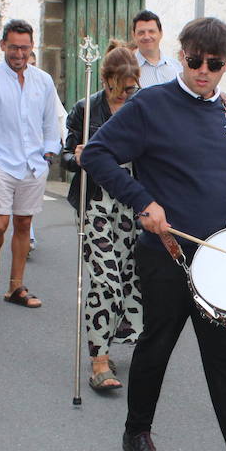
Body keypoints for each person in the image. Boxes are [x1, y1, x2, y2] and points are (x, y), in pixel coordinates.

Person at [81, 17, 226, 451]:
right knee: (158, 346)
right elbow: (96, 155)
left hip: (219, 257)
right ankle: (136, 434)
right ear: (182, 54)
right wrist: (142, 202)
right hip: (166, 251)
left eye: (214, 64)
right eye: (194, 61)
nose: (203, 71)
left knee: (224, 358)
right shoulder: (151, 104)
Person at [61, 41, 143, 392]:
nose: (129, 91)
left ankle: (115, 341)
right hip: (95, 201)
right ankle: (98, 360)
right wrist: (77, 156)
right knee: (104, 279)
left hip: (130, 202)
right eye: (123, 85)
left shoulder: (142, 107)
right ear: (107, 79)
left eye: (133, 84)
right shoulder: (85, 109)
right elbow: (63, 156)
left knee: (128, 277)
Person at [0, 19, 62, 309]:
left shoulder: (43, 80)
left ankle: (16, 286)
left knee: (24, 223)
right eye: (13, 47)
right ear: (2, 46)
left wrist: (49, 153)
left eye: (24, 48)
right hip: (0, 161)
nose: (19, 54)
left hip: (33, 164)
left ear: (31, 47)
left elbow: (51, 121)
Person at [131, 9, 180, 88]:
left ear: (161, 33)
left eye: (151, 31)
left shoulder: (177, 68)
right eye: (141, 32)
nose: (146, 37)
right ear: (134, 35)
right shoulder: (128, 69)